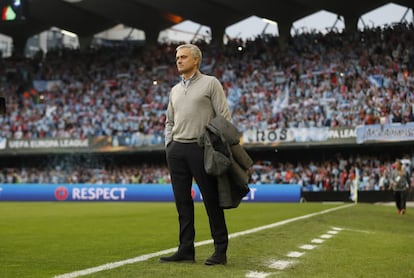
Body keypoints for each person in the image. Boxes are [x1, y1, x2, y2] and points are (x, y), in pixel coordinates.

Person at [159, 44, 232, 266]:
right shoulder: (174, 90)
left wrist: (214, 144)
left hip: (201, 148)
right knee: (182, 203)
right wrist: (168, 144)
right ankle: (185, 250)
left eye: (183, 57)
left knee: (211, 201)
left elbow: (224, 117)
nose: (178, 60)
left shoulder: (211, 83)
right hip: (177, 149)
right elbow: (169, 121)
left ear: (196, 60)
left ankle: (220, 251)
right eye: (177, 57)